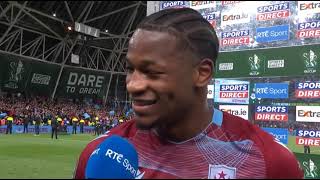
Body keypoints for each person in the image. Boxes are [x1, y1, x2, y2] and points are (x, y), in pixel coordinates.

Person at [74, 8, 303, 179]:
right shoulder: (99, 155)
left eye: (152, 72)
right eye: (130, 69)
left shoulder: (268, 161)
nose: (133, 85)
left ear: (202, 73)